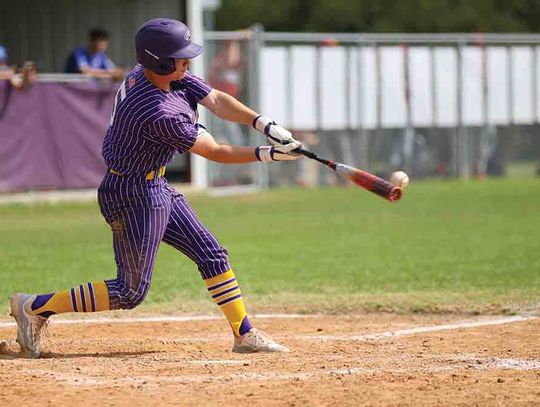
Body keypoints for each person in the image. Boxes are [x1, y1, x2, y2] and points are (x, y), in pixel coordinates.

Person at [9, 18, 303, 358]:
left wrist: (263, 123)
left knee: (212, 254)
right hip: (131, 194)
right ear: (161, 61)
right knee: (129, 291)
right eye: (181, 57)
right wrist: (266, 154)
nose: (188, 62)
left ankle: (244, 334)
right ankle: (34, 306)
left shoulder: (165, 75)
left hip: (154, 184)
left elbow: (216, 99)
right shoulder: (157, 111)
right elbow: (215, 151)